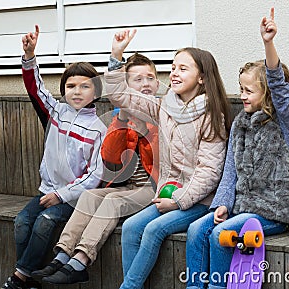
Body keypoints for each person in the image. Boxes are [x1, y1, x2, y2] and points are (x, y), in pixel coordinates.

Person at [185, 8, 289, 289]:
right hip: (241, 209)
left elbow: (278, 84)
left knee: (221, 235)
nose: (241, 96)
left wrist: (268, 43)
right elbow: (230, 172)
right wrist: (222, 205)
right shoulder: (240, 123)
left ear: (267, 93)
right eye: (240, 89)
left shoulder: (286, 123)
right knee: (197, 229)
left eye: (248, 91)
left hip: (274, 213)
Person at [104, 29, 231, 289]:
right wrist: (117, 55)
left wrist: (178, 201)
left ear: (202, 78)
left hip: (200, 201)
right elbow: (121, 97)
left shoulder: (211, 115)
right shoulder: (165, 106)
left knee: (153, 230)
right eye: (173, 67)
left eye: (183, 69)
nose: (174, 73)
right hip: (169, 194)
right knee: (130, 227)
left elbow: (210, 172)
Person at [31, 52, 160, 285]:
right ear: (126, 87)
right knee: (91, 196)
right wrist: (122, 120)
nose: (145, 84)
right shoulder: (121, 116)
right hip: (129, 186)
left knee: (112, 202)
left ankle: (81, 260)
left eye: (150, 78)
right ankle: (62, 255)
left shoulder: (161, 113)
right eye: (137, 79)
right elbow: (111, 159)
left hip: (154, 188)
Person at [0, 25, 107, 289]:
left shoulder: (99, 129)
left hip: (73, 198)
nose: (77, 91)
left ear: (96, 91)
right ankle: (26, 277)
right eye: (71, 86)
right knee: (22, 223)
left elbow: (95, 175)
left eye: (85, 86)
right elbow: (35, 89)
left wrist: (62, 195)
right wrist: (29, 56)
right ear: (63, 90)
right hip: (46, 190)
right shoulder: (55, 113)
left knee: (45, 223)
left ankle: (19, 278)